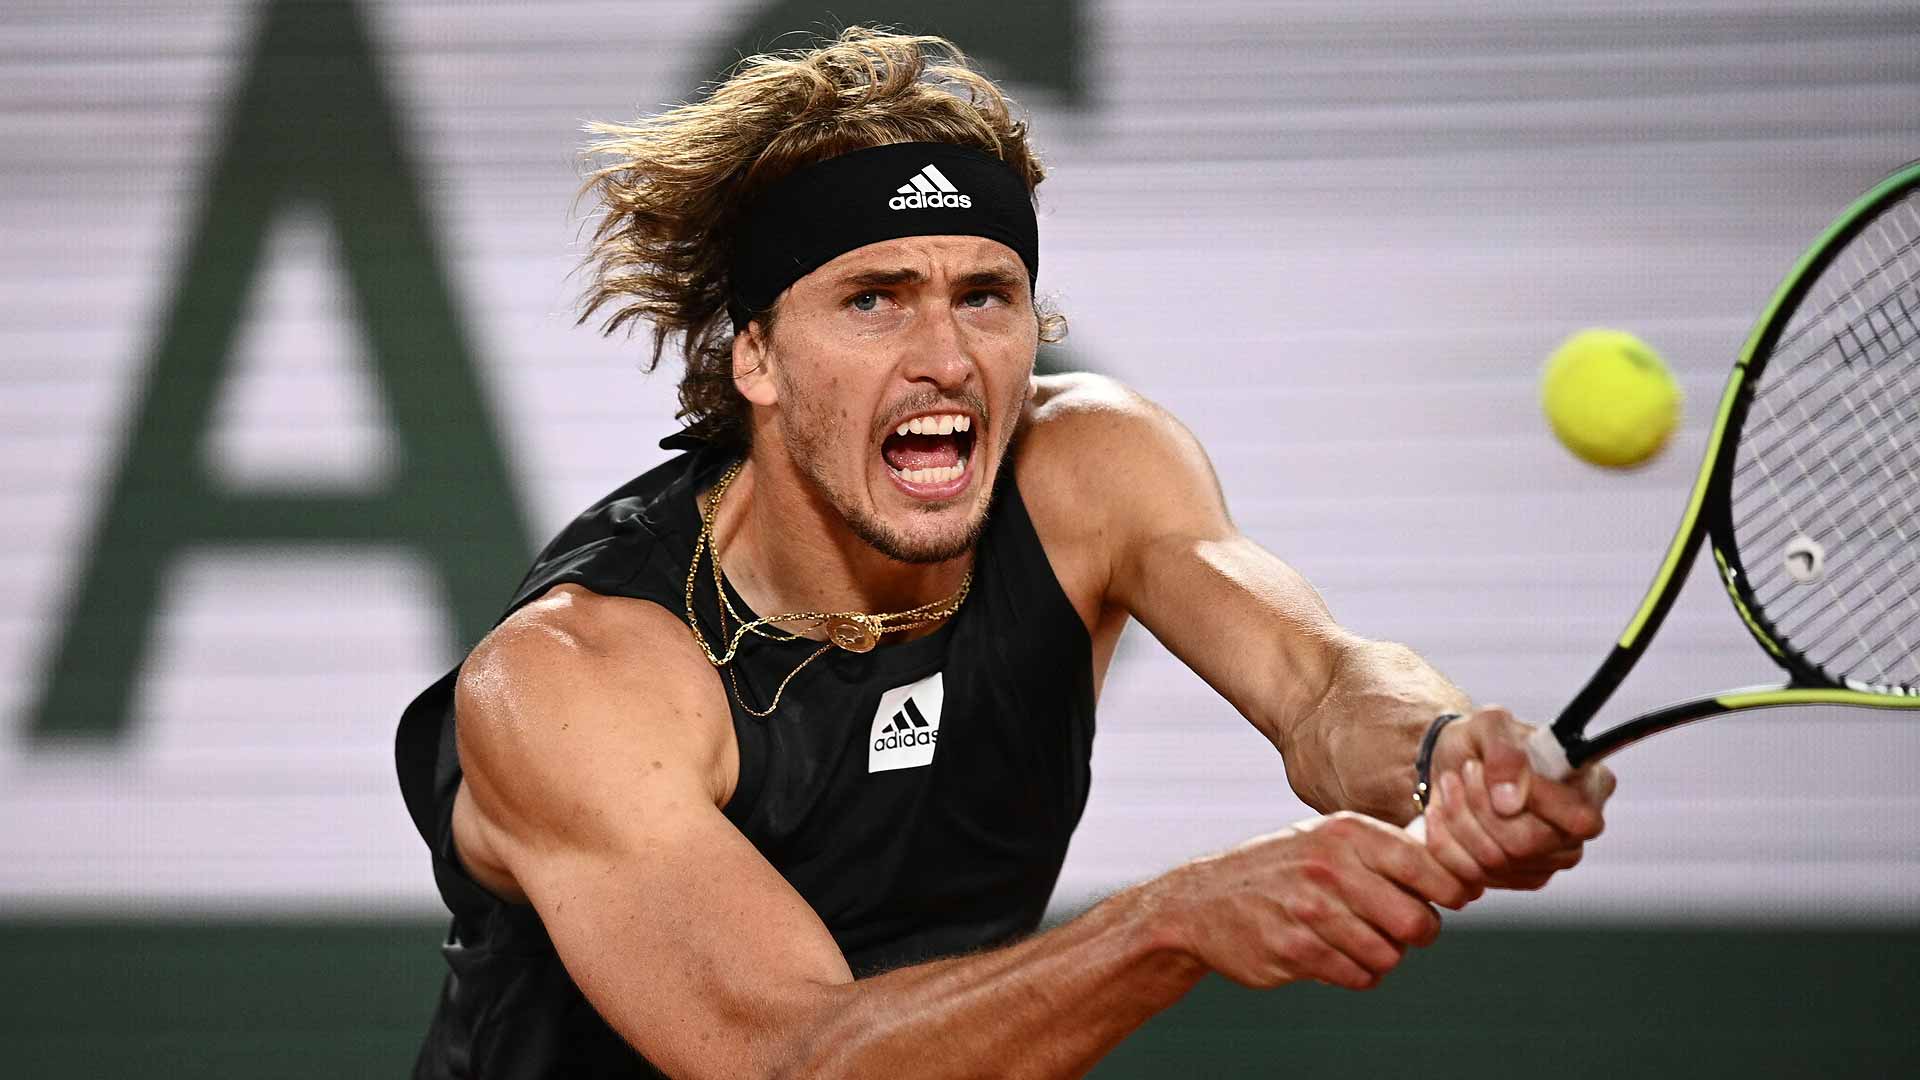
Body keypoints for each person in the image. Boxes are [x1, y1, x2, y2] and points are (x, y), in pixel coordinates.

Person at [395, 27, 1614, 1079]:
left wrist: (1448, 756)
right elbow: (791, 1059)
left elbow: (1321, 686)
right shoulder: (576, 680)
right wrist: (1168, 926)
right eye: (873, 299)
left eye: (986, 294)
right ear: (753, 359)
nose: (945, 355)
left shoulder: (1091, 474)